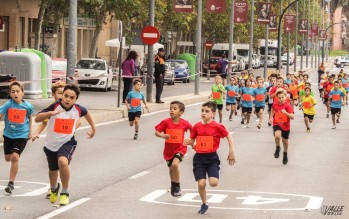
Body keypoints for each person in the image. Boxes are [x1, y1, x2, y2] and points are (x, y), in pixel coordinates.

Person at [35, 84, 96, 206]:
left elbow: (87, 113)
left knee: (63, 162)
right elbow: (37, 119)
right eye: (66, 96)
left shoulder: (78, 109)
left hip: (67, 142)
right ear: (61, 96)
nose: (68, 99)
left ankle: (65, 192)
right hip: (51, 144)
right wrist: (49, 113)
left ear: (76, 99)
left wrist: (93, 128)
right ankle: (54, 188)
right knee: (53, 170)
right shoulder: (54, 106)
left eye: (72, 97)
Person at [184, 101, 236, 215]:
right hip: (199, 158)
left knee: (213, 183)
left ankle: (217, 169)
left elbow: (229, 137)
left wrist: (231, 152)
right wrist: (189, 142)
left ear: (213, 113)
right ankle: (204, 203)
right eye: (202, 111)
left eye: (206, 111)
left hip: (212, 158)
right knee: (201, 183)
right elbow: (192, 140)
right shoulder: (197, 126)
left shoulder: (217, 126)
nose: (203, 113)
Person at [0, 81, 34, 194]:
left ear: (22, 93)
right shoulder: (8, 105)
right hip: (8, 134)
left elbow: (30, 118)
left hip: (21, 135)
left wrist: (30, 132)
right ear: (10, 93)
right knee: (7, 158)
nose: (15, 94)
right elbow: (0, 115)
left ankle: (11, 183)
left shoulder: (27, 106)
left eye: (18, 91)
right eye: (13, 91)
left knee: (15, 157)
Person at [155, 101, 192, 197]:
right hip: (168, 150)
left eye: (174, 109)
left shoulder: (184, 123)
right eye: (170, 108)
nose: (171, 110)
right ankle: (173, 184)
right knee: (171, 168)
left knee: (175, 164)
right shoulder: (166, 122)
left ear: (181, 112)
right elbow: (156, 132)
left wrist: (192, 141)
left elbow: (193, 131)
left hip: (180, 148)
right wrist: (163, 135)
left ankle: (177, 185)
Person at [269, 91, 294, 165]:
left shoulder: (288, 106)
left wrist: (286, 113)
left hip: (286, 126)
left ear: (286, 97)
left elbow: (292, 117)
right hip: (277, 123)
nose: (281, 99)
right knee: (277, 136)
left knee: (285, 142)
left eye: (282, 97)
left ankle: (285, 153)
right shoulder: (275, 104)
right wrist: (270, 118)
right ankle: (278, 147)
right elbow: (272, 109)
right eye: (279, 98)